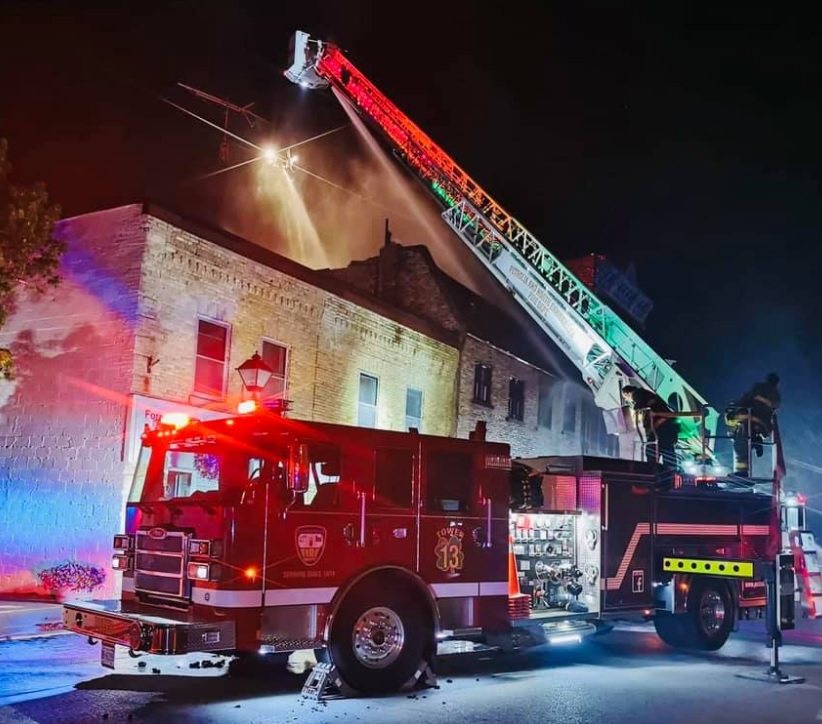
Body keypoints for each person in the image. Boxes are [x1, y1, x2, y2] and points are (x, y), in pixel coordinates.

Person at [725, 373, 780, 477]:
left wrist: (733, 407)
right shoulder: (777, 396)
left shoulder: (759, 387)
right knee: (745, 436)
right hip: (765, 426)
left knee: (740, 442)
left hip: (749, 418)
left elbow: (746, 399)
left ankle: (742, 472)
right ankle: (755, 439)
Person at [621, 385, 680, 467]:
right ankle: (670, 469)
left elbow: (639, 406)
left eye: (625, 397)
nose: (626, 400)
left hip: (662, 428)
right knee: (666, 450)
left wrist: (634, 410)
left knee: (652, 451)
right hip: (668, 427)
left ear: (627, 393)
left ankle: (653, 469)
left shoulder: (637, 393)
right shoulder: (648, 395)